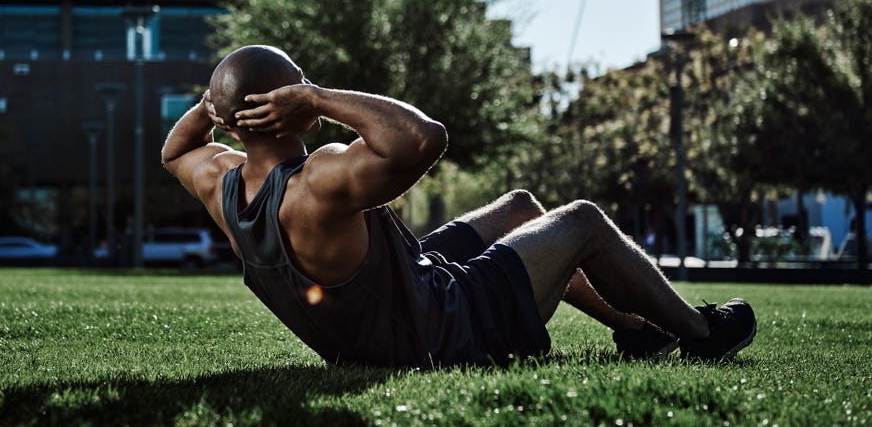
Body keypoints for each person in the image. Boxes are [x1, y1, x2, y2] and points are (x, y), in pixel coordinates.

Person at [162, 45, 756, 367]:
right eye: (300, 82)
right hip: (441, 331)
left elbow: (173, 153)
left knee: (522, 205)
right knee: (583, 221)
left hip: (383, 315)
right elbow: (424, 138)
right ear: (290, 102)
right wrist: (318, 96)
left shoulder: (222, 183)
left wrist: (215, 106)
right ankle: (702, 333)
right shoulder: (319, 180)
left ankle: (636, 330)